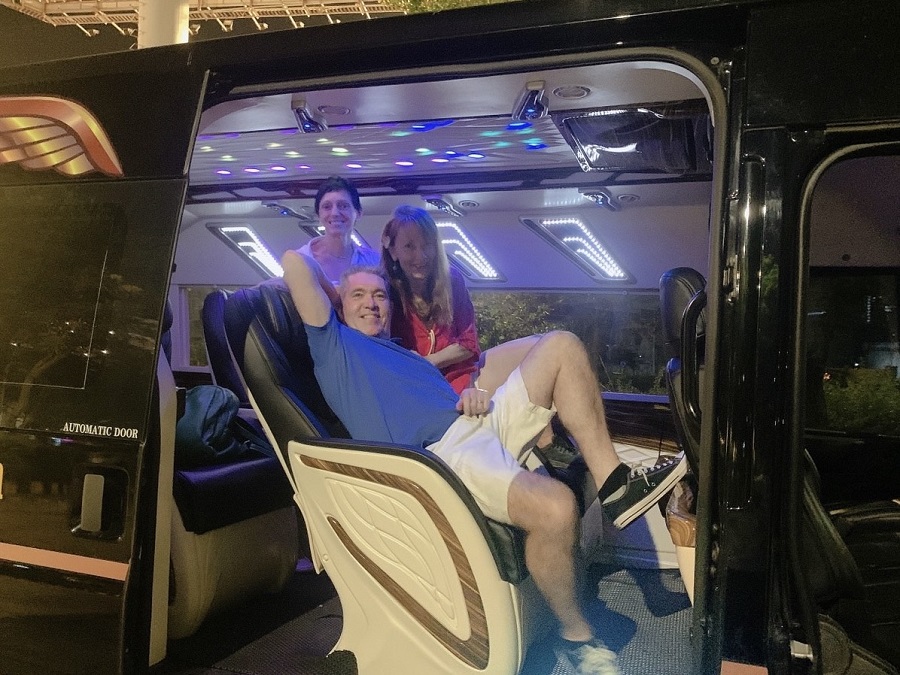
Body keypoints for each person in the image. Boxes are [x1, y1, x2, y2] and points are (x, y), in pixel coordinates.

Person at [281, 250, 686, 675]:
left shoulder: (405, 355)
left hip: (474, 421)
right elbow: (294, 262)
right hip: (442, 455)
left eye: (379, 295)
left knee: (561, 345)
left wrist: (472, 395)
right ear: (338, 304)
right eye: (358, 295)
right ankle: (576, 636)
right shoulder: (333, 345)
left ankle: (615, 485)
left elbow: (444, 396)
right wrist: (337, 293)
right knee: (555, 508)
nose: (371, 303)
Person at [381, 205, 479, 394]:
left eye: (427, 245)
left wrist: (428, 362)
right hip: (409, 388)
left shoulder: (453, 281)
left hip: (459, 383)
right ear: (393, 251)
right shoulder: (384, 290)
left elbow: (469, 344)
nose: (421, 256)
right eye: (409, 246)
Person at [297, 176, 380, 284]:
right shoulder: (301, 260)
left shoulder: (374, 262)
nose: (335, 213)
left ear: (358, 213)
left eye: (343, 206)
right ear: (318, 215)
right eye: (327, 207)